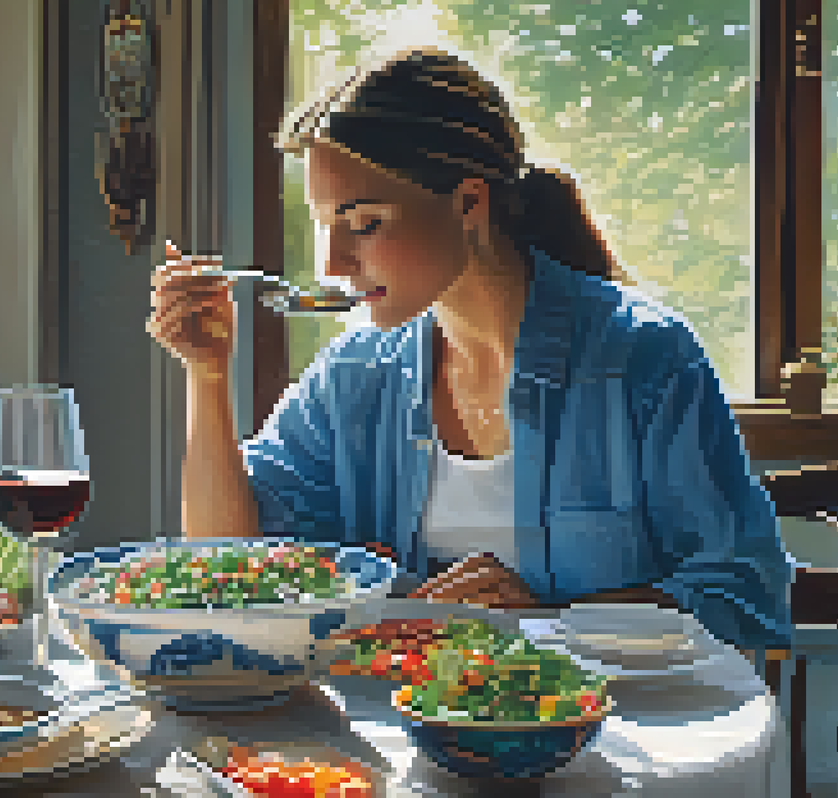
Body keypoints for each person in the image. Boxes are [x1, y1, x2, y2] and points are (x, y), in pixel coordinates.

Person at [145, 46, 792, 654]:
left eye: (364, 224)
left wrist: (550, 623)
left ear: (468, 204)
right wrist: (206, 375)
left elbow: (744, 597)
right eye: (324, 227)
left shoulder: (645, 359)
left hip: (614, 750)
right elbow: (228, 566)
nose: (335, 263)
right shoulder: (353, 375)